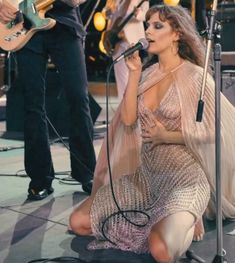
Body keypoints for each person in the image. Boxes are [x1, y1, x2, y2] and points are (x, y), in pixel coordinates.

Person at [70, 4, 235, 263]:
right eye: (147, 25)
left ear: (177, 34)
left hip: (185, 178)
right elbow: (127, 119)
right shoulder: (147, 74)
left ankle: (188, 220)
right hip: (146, 178)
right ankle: (167, 224)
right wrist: (134, 73)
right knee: (78, 222)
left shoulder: (194, 76)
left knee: (160, 249)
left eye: (158, 26)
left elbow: (214, 132)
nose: (148, 31)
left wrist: (166, 136)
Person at [0, 0, 96, 200]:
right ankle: (40, 179)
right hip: (24, 23)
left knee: (79, 97)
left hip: (65, 24)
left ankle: (86, 172)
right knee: (32, 104)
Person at [103, 0, 149, 101]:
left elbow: (147, 15)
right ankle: (122, 107)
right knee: (121, 78)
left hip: (131, 39)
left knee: (132, 77)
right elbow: (106, 12)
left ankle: (131, 107)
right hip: (115, 38)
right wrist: (108, 12)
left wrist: (139, 14)